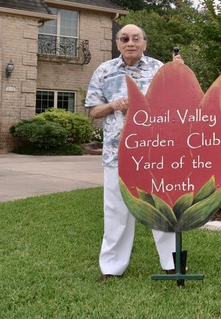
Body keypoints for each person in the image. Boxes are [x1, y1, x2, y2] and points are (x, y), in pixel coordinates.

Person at [85, 24, 182, 281]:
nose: (130, 43)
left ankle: (172, 264)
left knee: (161, 206)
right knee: (116, 211)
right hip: (116, 154)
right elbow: (93, 110)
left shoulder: (159, 68)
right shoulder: (104, 71)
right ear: (117, 43)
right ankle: (111, 268)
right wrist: (114, 105)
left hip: (155, 152)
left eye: (135, 38)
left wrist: (177, 74)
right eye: (125, 38)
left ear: (145, 43)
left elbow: (175, 104)